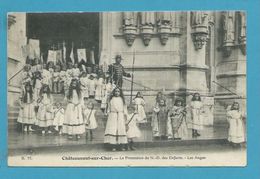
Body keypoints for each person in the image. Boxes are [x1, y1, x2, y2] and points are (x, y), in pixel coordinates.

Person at [104, 87, 128, 151]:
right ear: (114, 92)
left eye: (118, 91)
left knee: (120, 129)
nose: (117, 93)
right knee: (113, 129)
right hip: (113, 115)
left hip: (120, 115)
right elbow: (109, 107)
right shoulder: (111, 99)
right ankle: (113, 145)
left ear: (120, 93)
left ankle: (121, 145)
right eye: (116, 91)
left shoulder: (122, 99)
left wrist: (125, 115)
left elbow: (124, 108)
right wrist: (108, 112)